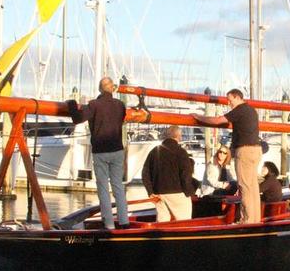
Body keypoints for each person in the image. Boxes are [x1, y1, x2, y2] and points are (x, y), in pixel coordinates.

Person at [67, 76, 129, 230]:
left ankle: (108, 224)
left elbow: (77, 118)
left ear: (100, 89)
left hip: (100, 151)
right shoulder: (121, 105)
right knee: (118, 187)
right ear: (112, 88)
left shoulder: (94, 105)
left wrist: (72, 104)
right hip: (117, 150)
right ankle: (124, 221)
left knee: (102, 187)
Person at [194, 89, 261, 223]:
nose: (229, 103)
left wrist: (198, 117)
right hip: (256, 150)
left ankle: (247, 220)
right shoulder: (251, 110)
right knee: (253, 186)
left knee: (245, 187)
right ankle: (255, 219)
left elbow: (218, 120)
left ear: (237, 97)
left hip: (245, 150)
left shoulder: (239, 109)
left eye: (230, 100)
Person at [141, 125, 197, 222]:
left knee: (162, 222)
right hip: (177, 193)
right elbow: (185, 176)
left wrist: (150, 192)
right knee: (184, 222)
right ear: (179, 136)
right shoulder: (181, 152)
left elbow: (145, 173)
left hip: (159, 193)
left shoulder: (154, 151)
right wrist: (190, 192)